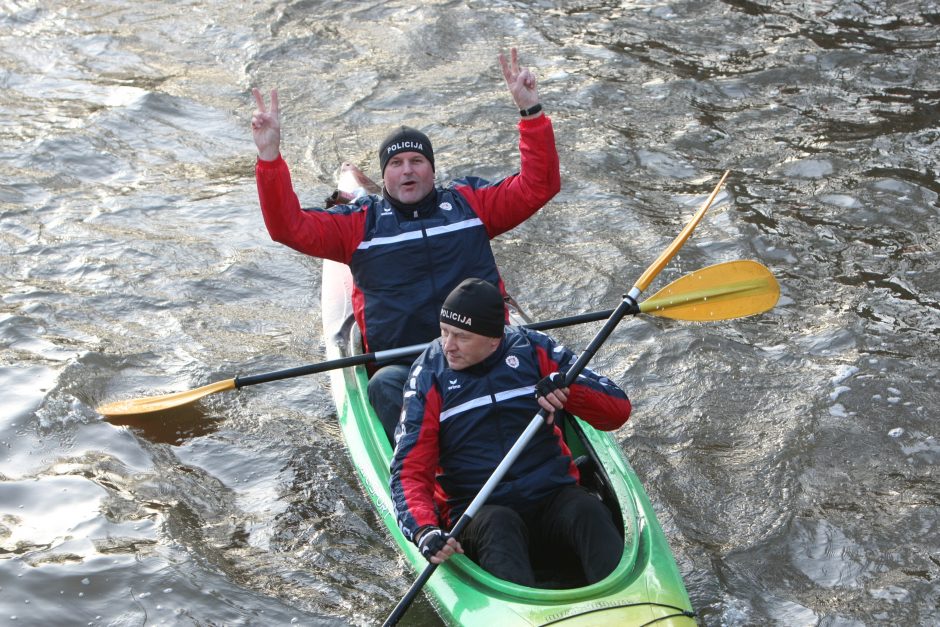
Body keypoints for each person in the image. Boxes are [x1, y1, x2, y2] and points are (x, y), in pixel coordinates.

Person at [250, 48, 560, 442]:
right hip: (405, 365)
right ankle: (421, 475)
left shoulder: (470, 205)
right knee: (383, 387)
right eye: (396, 164)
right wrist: (270, 157)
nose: (407, 169)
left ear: (432, 170)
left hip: (485, 350)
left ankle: (544, 449)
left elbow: (540, 185)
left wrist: (531, 113)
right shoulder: (358, 224)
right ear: (385, 177)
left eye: (417, 160)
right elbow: (287, 228)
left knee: (536, 361)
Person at [389, 278, 632, 587]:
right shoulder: (429, 376)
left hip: (551, 496)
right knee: (499, 523)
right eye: (444, 331)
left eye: (462, 337)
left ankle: (625, 601)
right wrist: (424, 530)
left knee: (587, 509)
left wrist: (568, 387)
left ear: (495, 338)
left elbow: (618, 411)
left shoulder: (536, 348)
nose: (447, 345)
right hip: (478, 512)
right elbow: (408, 472)